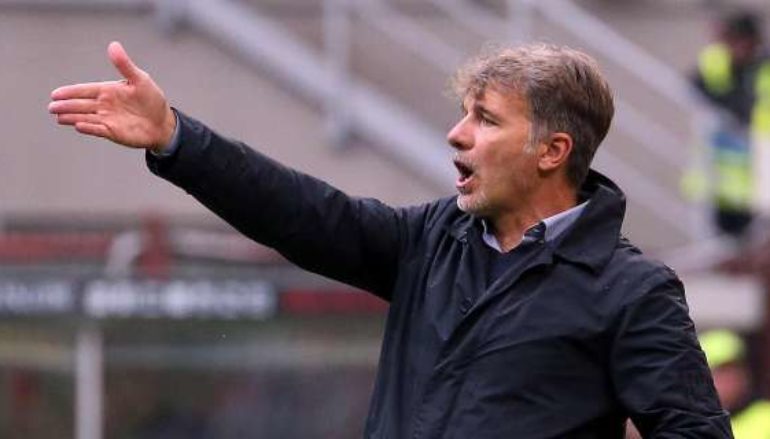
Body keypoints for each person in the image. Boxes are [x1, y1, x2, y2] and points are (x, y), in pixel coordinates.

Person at [48, 41, 732, 437]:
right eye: (463, 114)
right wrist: (176, 137)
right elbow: (301, 212)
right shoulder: (430, 240)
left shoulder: (631, 291)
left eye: (486, 119)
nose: (456, 134)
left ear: (552, 151)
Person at [686, 10, 770, 238]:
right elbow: (694, 86)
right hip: (724, 173)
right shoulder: (715, 61)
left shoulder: (764, 68)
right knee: (724, 235)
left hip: (759, 167)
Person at [700, 329, 770, 438]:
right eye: (719, 372)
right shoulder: (688, 423)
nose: (728, 380)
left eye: (733, 370)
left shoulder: (766, 416)